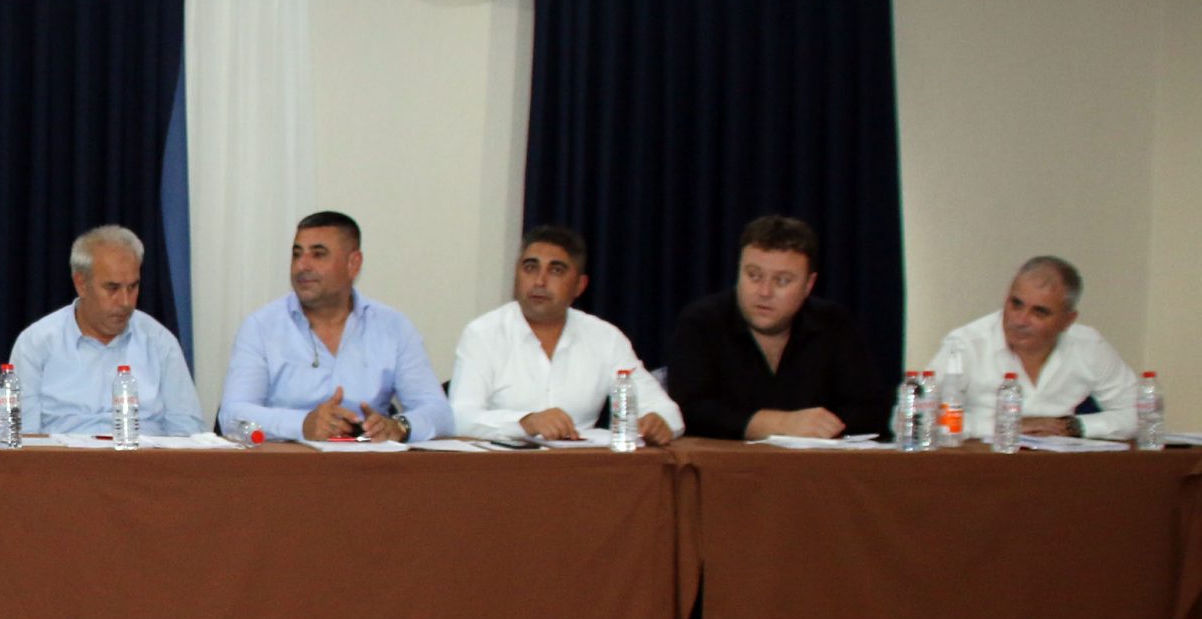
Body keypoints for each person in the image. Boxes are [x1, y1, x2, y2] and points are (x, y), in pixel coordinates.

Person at [219, 211, 452, 443]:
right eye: (296, 254)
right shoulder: (261, 328)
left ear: (353, 263)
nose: (301, 266)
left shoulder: (393, 328)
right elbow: (232, 415)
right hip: (288, 461)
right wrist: (302, 425)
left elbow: (440, 413)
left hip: (368, 461)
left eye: (318, 254)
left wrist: (400, 427)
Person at [449, 225, 680, 445]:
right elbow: (459, 417)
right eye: (530, 268)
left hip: (579, 466)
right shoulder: (483, 334)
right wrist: (526, 422)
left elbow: (667, 411)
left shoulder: (605, 338)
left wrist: (658, 422)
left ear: (580, 285)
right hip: (503, 465)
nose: (539, 281)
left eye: (556, 270)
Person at [666, 215, 888, 440]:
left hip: (813, 461)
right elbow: (688, 411)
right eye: (753, 276)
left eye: (782, 280)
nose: (764, 292)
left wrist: (818, 425)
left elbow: (872, 411)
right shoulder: (703, 322)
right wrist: (779, 424)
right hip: (725, 461)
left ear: (808, 285)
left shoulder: (833, 323)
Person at [9, 225, 202, 437]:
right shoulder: (36, 343)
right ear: (81, 284)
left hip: (141, 455)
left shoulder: (160, 342)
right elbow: (22, 436)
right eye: (113, 288)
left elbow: (187, 430)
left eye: (133, 287)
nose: (126, 302)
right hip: (64, 456)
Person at [926, 255, 1141, 440]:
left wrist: (1074, 426)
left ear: (1067, 321)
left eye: (1039, 312)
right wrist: (1005, 426)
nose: (1020, 320)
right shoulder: (966, 345)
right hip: (981, 463)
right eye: (1016, 304)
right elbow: (920, 414)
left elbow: (1140, 413)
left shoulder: (1088, 346)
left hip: (1060, 466)